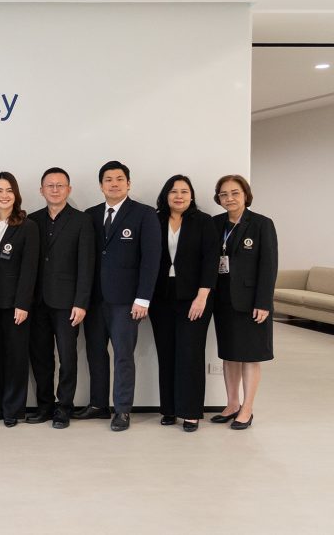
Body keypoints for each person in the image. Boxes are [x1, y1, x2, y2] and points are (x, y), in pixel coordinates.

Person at [75, 161, 161, 431]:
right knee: (95, 353)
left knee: (123, 355)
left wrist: (143, 298)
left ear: (128, 183)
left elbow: (151, 259)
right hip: (94, 300)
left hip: (126, 301)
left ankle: (122, 409)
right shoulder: (89, 214)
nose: (114, 183)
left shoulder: (144, 214)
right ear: (101, 185)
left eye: (119, 179)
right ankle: (98, 404)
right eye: (108, 179)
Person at [149, 175, 219, 432]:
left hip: (194, 297)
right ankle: (168, 409)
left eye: (184, 191)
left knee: (190, 354)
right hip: (161, 296)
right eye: (173, 191)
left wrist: (202, 297)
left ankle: (190, 412)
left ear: (191, 195)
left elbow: (211, 261)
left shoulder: (203, 221)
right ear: (165, 195)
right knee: (166, 352)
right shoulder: (154, 219)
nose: (179, 196)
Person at [27, 167, 95, 429]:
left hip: (68, 303)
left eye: (60, 185)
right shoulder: (32, 220)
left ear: (69, 189)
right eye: (50, 185)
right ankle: (44, 406)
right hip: (37, 302)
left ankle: (63, 407)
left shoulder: (81, 221)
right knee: (41, 357)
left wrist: (81, 302)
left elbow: (86, 266)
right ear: (41, 190)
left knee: (68, 357)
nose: (54, 190)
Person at [209, 174, 277, 430]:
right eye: (224, 194)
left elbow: (269, 267)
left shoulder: (261, 224)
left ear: (245, 195)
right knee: (230, 355)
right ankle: (232, 403)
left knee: (250, 356)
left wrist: (264, 303)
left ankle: (247, 409)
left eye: (235, 193)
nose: (229, 198)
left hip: (251, 303)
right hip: (223, 300)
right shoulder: (215, 224)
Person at [0, 172, 39, 427]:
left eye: (8, 190)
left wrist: (23, 304)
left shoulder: (27, 226)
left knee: (15, 356)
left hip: (15, 304)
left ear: (15, 195)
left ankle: (13, 409)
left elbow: (30, 269)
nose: (4, 195)